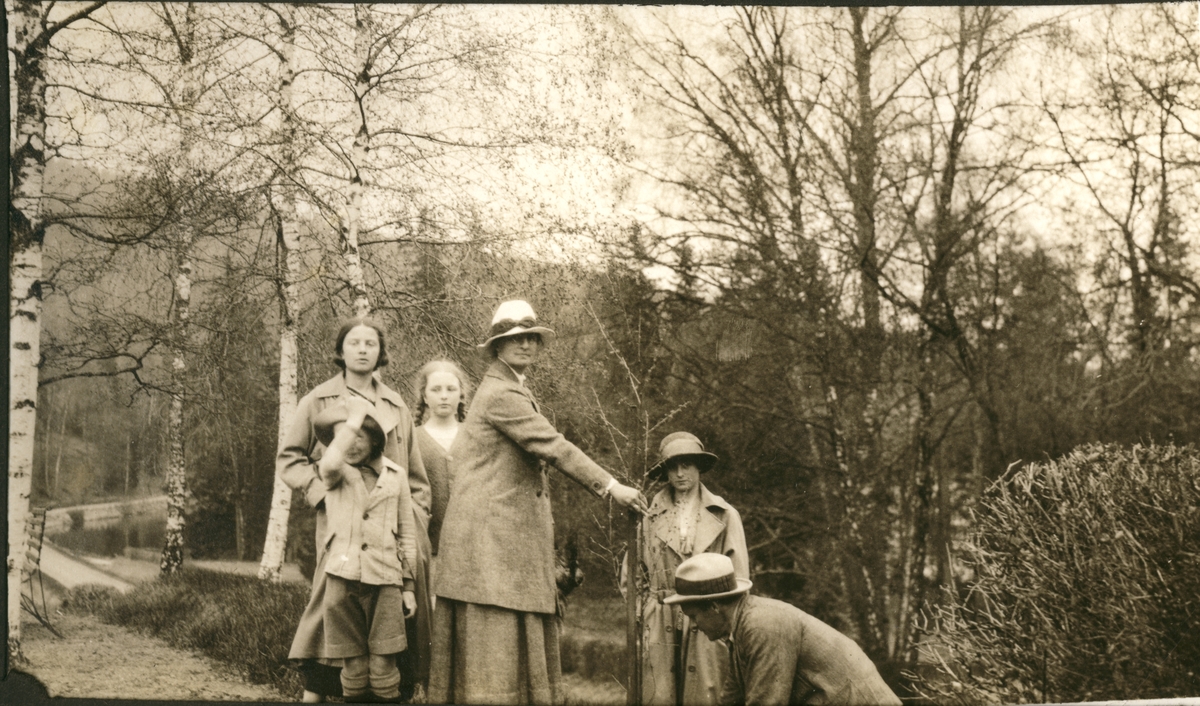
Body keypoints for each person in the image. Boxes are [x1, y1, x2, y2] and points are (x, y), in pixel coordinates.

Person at [428, 299, 649, 705]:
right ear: (497, 346)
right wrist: (611, 486)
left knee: (505, 642)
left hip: (500, 542)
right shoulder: (500, 393)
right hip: (487, 543)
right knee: (491, 649)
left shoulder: (511, 388)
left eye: (532, 337)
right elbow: (553, 446)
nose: (525, 345)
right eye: (515, 338)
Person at [277, 316, 431, 703]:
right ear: (341, 351)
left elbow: (415, 478)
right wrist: (321, 494)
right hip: (339, 526)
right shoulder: (318, 400)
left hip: (389, 536)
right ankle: (324, 692)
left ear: (381, 353)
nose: (363, 350)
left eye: (371, 344)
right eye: (354, 343)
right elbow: (290, 461)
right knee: (333, 615)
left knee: (391, 635)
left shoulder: (396, 404)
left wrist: (413, 519)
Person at [664, 554, 902, 706]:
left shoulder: (761, 626)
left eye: (694, 617)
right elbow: (732, 697)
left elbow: (768, 701)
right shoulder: (741, 627)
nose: (694, 626)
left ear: (714, 607)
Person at [625, 432, 748, 706]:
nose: (680, 474)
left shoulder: (725, 515)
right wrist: (645, 614)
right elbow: (632, 577)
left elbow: (739, 580)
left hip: (708, 622)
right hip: (659, 622)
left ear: (699, 467)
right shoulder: (649, 516)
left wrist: (723, 622)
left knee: (705, 696)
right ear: (665, 471)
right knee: (658, 696)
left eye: (687, 465)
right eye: (673, 466)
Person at [310, 397, 418, 701]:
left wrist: (408, 586)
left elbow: (407, 534)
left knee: (384, 662)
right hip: (343, 580)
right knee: (354, 664)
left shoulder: (395, 476)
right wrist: (353, 419)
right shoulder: (334, 472)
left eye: (359, 434)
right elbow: (331, 460)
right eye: (343, 436)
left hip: (386, 581)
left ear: (374, 438)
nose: (352, 442)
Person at [412, 358, 471, 555]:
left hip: (473, 550)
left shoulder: (476, 437)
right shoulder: (413, 439)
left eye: (451, 389)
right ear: (424, 396)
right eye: (436, 390)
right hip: (430, 551)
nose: (444, 396)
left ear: (461, 395)